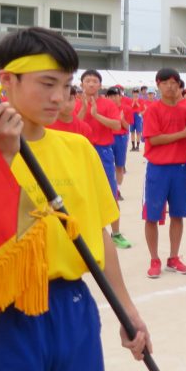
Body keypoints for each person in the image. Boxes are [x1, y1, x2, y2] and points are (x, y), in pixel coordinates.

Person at [0, 27, 150, 371]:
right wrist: (5, 158)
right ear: (7, 82)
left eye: (66, 86)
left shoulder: (79, 148)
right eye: (46, 84)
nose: (59, 98)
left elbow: (98, 239)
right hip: (8, 313)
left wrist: (127, 309)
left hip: (72, 309)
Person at [141, 68, 186, 278]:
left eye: (174, 82)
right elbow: (153, 139)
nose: (170, 86)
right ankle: (154, 259)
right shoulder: (152, 110)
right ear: (158, 84)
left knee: (178, 215)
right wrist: (183, 133)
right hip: (157, 169)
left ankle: (173, 257)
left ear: (179, 85)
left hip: (180, 169)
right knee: (152, 216)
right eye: (165, 82)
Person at [76, 69, 132, 248]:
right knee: (81, 194)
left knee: (110, 192)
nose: (91, 84)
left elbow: (116, 124)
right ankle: (83, 233)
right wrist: (84, 110)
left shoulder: (107, 104)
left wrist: (96, 115)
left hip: (103, 151)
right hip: (81, 151)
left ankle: (115, 233)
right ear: (81, 84)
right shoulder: (74, 103)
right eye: (88, 81)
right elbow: (72, 126)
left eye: (94, 81)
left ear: (100, 85)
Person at [105, 87, 131, 198]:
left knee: (119, 166)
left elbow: (127, 126)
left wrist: (121, 119)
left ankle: (117, 189)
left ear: (120, 96)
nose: (113, 98)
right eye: (110, 96)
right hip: (107, 137)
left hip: (121, 138)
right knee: (107, 165)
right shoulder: (104, 108)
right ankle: (109, 188)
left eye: (115, 95)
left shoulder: (126, 108)